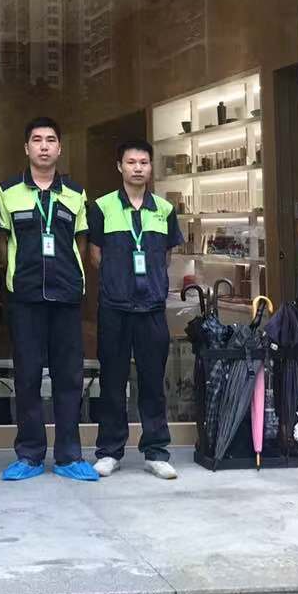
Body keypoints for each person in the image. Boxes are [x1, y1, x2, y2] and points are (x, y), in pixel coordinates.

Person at [0, 117, 96, 482]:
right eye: (36, 140)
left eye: (50, 140)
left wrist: (66, 274)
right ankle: (30, 454)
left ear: (59, 148)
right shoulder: (6, 192)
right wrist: (19, 272)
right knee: (27, 377)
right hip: (24, 297)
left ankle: (69, 456)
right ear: (26, 148)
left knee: (69, 378)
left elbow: (80, 243)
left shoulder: (76, 194)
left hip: (66, 297)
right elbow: (2, 244)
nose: (43, 146)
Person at [88, 139, 184, 479]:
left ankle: (156, 452)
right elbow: (95, 255)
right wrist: (120, 281)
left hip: (152, 308)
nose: (138, 168)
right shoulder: (102, 207)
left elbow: (167, 255)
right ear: (120, 166)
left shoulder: (164, 210)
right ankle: (109, 452)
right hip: (115, 307)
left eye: (144, 162)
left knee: (152, 381)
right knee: (112, 381)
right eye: (131, 162)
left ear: (150, 167)